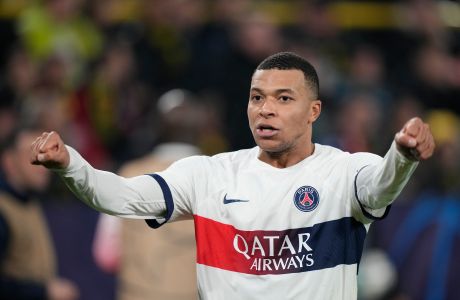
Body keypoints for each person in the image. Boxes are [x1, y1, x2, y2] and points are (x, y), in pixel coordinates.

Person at [29, 52, 435, 299]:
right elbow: (120, 197)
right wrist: (71, 165)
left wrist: (402, 156)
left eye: (283, 98)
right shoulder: (209, 174)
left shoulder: (345, 171)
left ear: (314, 111)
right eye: (257, 97)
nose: (265, 109)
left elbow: (382, 185)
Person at [92, 89, 207, 300]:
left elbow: (106, 254)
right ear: (201, 128)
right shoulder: (219, 178)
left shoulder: (129, 175)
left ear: (157, 127)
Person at [0, 126, 79, 300]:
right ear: (9, 161)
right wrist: (44, 292)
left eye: (45, 154)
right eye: (32, 155)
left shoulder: (32, 200)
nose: (43, 164)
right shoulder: (4, 209)